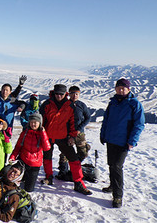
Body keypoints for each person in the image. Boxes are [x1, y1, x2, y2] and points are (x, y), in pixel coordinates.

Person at [100, 78, 145, 208]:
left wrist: (132, 141)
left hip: (123, 142)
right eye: (118, 88)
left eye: (123, 88)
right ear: (115, 89)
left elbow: (139, 125)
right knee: (111, 164)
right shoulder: (113, 102)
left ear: (128, 89)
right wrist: (103, 135)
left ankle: (118, 196)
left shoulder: (134, 104)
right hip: (111, 139)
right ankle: (113, 185)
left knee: (117, 167)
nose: (121, 90)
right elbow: (106, 120)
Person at [40, 84, 92, 195]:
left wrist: (73, 136)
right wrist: (40, 134)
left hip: (63, 137)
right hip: (48, 136)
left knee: (73, 159)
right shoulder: (47, 104)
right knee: (47, 157)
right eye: (57, 93)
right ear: (53, 93)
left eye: (61, 94)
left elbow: (73, 123)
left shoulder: (70, 106)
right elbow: (42, 121)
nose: (58, 96)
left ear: (65, 94)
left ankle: (78, 182)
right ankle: (49, 177)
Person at [56, 86, 92, 180]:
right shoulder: (65, 104)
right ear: (69, 94)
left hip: (79, 133)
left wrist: (80, 128)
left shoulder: (81, 105)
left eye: (77, 94)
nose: (74, 96)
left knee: (83, 153)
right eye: (72, 93)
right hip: (67, 134)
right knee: (64, 153)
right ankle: (63, 172)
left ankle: (74, 169)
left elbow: (88, 117)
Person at [9, 113, 51, 192]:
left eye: (35, 122)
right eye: (31, 122)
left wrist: (43, 133)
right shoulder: (25, 133)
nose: (33, 124)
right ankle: (23, 176)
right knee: (12, 181)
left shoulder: (42, 134)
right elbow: (18, 147)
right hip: (23, 161)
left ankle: (27, 178)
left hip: (34, 164)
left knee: (29, 189)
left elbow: (47, 148)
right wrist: (12, 157)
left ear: (40, 123)